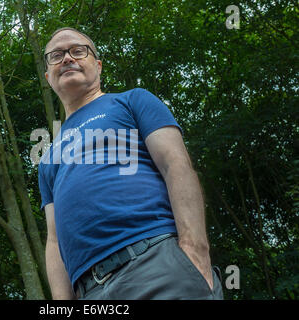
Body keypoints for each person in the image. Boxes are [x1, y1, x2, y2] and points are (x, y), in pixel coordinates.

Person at [38, 27, 224, 300]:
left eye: (78, 51)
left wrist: (195, 251)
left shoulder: (132, 101)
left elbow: (176, 165)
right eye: (56, 55)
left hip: (155, 263)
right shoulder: (48, 156)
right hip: (89, 292)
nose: (67, 58)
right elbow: (54, 240)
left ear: (98, 66)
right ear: (48, 77)